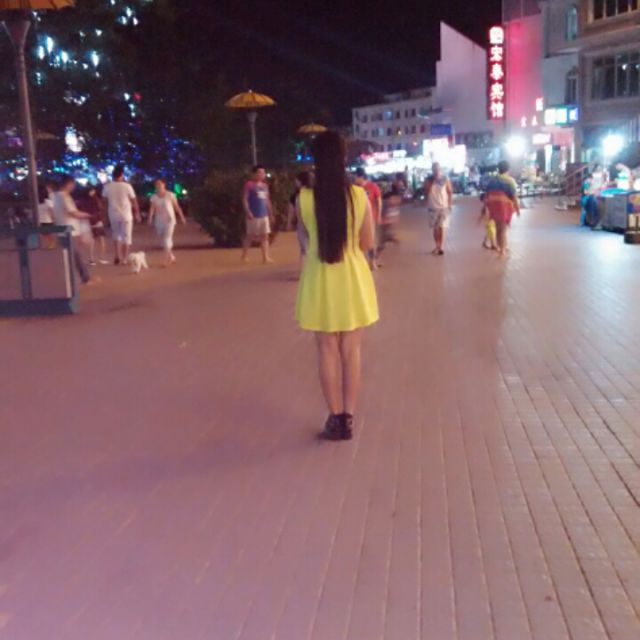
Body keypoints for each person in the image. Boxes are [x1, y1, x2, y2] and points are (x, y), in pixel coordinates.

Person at [296, 131, 379, 441]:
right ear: (343, 158)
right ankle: (350, 416)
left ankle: (335, 418)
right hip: (352, 277)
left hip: (319, 276)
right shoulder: (358, 195)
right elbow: (368, 241)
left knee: (327, 349)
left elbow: (306, 240)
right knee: (351, 350)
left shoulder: (304, 198)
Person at [52, 175, 93, 285]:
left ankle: (72, 279)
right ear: (69, 184)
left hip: (61, 229)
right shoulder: (65, 197)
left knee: (69, 256)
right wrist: (86, 215)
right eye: (73, 184)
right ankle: (85, 278)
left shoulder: (56, 196)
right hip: (70, 230)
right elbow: (72, 212)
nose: (73, 187)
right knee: (76, 255)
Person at [102, 165, 140, 265]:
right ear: (122, 174)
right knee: (126, 237)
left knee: (116, 235)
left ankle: (117, 255)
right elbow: (134, 200)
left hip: (113, 215)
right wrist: (137, 213)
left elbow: (104, 202)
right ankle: (125, 258)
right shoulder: (127, 186)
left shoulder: (107, 187)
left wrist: (104, 216)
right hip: (126, 215)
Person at [482, 160, 521, 257]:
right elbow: (514, 196)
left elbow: (487, 195)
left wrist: (484, 208)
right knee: (503, 230)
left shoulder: (492, 180)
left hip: (494, 207)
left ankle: (501, 247)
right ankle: (502, 250)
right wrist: (517, 209)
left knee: (499, 228)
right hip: (504, 208)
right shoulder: (510, 181)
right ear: (508, 169)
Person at [148, 178, 187, 266]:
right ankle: (171, 256)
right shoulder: (154, 197)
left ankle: (166, 259)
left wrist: (182, 217)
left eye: (160, 184)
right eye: (156, 184)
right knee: (163, 240)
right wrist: (150, 218)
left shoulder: (170, 195)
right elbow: (152, 208)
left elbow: (176, 207)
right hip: (159, 220)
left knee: (167, 239)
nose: (158, 186)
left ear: (164, 184)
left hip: (170, 220)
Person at [241, 165, 274, 264]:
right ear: (254, 174)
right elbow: (245, 199)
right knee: (250, 236)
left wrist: (271, 213)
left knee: (265, 236)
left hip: (264, 214)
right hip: (253, 215)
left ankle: (265, 257)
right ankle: (244, 255)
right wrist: (248, 211)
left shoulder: (265, 186)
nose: (262, 174)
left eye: (263, 172)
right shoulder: (249, 185)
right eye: (260, 172)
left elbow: (267, 200)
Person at [354, 168, 382, 269]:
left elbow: (378, 201)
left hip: (370, 218)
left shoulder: (372, 186)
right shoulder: (354, 188)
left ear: (361, 177)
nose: (355, 179)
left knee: (370, 241)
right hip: (358, 218)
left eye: (356, 177)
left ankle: (372, 261)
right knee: (357, 241)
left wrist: (378, 215)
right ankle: (361, 262)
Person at [424, 162, 453, 255]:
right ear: (432, 170)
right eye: (434, 170)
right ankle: (437, 245)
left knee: (442, 227)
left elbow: (450, 191)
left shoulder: (445, 179)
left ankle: (441, 247)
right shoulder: (428, 180)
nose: (436, 171)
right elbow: (426, 191)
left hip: (443, 206)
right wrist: (432, 181)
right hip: (433, 207)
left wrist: (450, 204)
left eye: (437, 169)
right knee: (435, 228)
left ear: (440, 169)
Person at [288, 171, 313, 271]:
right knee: (309, 247)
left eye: (297, 180)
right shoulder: (314, 193)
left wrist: (290, 222)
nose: (295, 182)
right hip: (312, 223)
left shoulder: (297, 195)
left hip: (302, 224)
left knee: (304, 248)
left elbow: (292, 210)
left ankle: (305, 270)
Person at [79, 185, 109, 265]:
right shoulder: (95, 200)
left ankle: (91, 259)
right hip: (97, 221)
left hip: (88, 221)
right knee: (101, 241)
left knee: (92, 242)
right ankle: (101, 258)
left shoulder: (82, 201)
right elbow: (100, 209)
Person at [378, 184, 402, 254]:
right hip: (390, 217)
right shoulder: (395, 195)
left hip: (387, 217)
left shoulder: (388, 195)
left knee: (383, 234)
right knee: (384, 233)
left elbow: (387, 205)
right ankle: (390, 239)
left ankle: (383, 244)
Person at [38, 181, 57, 249]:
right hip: (42, 219)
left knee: (48, 232)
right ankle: (51, 242)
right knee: (44, 232)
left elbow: (51, 210)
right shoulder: (39, 202)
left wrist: (53, 218)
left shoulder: (48, 201)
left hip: (48, 219)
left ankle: (52, 242)